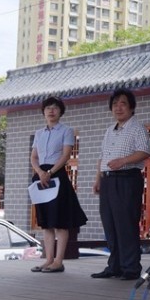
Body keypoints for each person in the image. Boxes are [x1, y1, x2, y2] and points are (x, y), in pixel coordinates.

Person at [91, 88, 150, 281]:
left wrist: (123, 161)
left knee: (126, 224)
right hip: (108, 180)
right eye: (115, 104)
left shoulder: (137, 128)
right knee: (110, 224)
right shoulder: (110, 130)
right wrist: (98, 178)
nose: (118, 107)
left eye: (123, 103)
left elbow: (144, 152)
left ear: (132, 107)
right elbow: (102, 157)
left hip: (127, 179)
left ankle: (131, 268)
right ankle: (114, 266)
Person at [29, 95, 88, 273]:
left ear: (60, 111)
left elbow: (66, 155)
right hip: (41, 177)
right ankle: (48, 259)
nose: (51, 111)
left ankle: (58, 261)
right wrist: (40, 172)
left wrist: (50, 172)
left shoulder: (66, 130)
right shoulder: (39, 133)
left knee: (60, 221)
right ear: (43, 112)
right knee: (46, 222)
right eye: (48, 108)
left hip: (57, 175)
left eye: (55, 108)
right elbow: (33, 157)